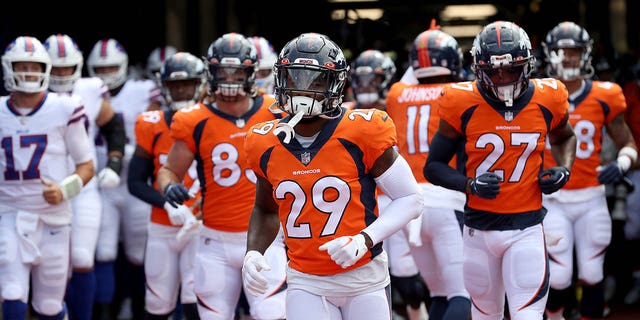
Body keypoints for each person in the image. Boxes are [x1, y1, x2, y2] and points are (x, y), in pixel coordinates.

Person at [241, 32, 423, 320]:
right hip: (305, 279)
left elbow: (410, 199)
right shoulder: (263, 141)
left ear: (335, 83)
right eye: (294, 78)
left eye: (315, 81)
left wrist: (364, 239)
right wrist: (253, 252)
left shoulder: (363, 130)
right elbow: (265, 210)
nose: (302, 90)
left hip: (364, 276)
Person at [424, 21, 577, 320]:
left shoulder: (549, 97)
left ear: (528, 65)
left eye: (511, 69)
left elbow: (565, 137)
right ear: (478, 68)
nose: (503, 77)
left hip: (527, 228)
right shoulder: (459, 101)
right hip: (477, 231)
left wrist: (564, 169)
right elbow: (433, 167)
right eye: (493, 71)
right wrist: (469, 185)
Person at [156, 32, 287, 320]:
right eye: (222, 72)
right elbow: (168, 170)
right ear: (210, 73)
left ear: (251, 73)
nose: (229, 79)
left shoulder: (275, 111)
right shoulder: (193, 119)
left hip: (266, 237)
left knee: (273, 314)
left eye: (237, 71)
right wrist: (169, 188)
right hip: (214, 240)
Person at [540, 21, 638, 320]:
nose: (568, 58)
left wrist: (621, 163)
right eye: (562, 51)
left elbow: (629, 144)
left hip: (591, 198)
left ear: (586, 55)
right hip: (552, 200)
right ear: (549, 54)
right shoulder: (536, 92)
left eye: (574, 51)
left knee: (593, 272)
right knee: (559, 277)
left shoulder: (606, 94)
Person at [0, 36, 95, 320]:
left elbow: (86, 165)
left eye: (34, 65)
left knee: (50, 305)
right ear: (9, 69)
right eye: (21, 65)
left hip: (53, 217)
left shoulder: (65, 107)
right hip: (9, 214)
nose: (28, 72)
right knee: (12, 293)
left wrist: (65, 190)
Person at [386, 26, 471, 320]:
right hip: (446, 202)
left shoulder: (397, 94)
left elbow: (413, 75)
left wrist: (424, 42)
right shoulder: (460, 93)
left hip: (410, 208)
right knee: (463, 296)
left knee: (439, 294)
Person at [42, 33, 126, 320]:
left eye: (67, 67)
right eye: (56, 67)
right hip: (43, 189)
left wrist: (114, 164)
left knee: (81, 258)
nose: (62, 74)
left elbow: (114, 127)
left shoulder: (89, 91)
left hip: (83, 187)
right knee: (44, 263)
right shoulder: (31, 97)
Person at [345, 48, 429, 320]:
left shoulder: (397, 104)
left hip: (398, 198)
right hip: (359, 203)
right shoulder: (343, 113)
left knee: (407, 280)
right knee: (371, 271)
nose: (367, 86)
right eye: (362, 79)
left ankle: (416, 311)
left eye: (374, 79)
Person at [86, 38, 163, 319]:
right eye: (100, 69)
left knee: (139, 253)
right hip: (101, 183)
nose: (106, 74)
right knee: (102, 250)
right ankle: (105, 310)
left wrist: (142, 151)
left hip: (135, 182)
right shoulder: (86, 91)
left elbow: (163, 119)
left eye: (111, 68)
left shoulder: (142, 90)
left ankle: (139, 308)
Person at [128, 51, 206, 320]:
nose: (182, 90)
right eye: (175, 85)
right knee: (158, 302)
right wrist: (166, 204)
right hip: (162, 225)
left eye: (188, 83)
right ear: (164, 87)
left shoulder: (212, 120)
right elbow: (135, 182)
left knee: (195, 300)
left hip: (201, 226)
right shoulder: (150, 124)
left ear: (201, 85)